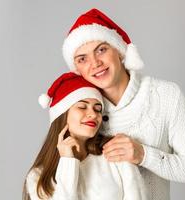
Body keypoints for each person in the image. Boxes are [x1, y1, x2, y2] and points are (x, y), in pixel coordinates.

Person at [61, 8, 185, 200]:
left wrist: (143, 155)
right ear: (77, 69)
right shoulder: (78, 110)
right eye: (82, 59)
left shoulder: (166, 95)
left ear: (119, 52)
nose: (95, 63)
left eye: (101, 49)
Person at [23, 72, 148, 200]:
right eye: (82, 107)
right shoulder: (38, 177)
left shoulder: (114, 153)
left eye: (98, 109)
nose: (93, 114)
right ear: (61, 114)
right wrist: (68, 162)